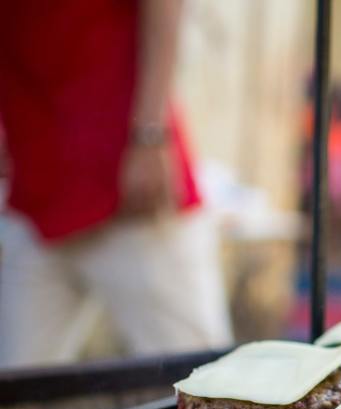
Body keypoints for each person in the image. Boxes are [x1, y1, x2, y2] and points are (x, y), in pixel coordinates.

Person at [0, 0, 232, 368]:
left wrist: (151, 134)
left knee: (199, 381)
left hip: (127, 182)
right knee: (15, 393)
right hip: (32, 188)